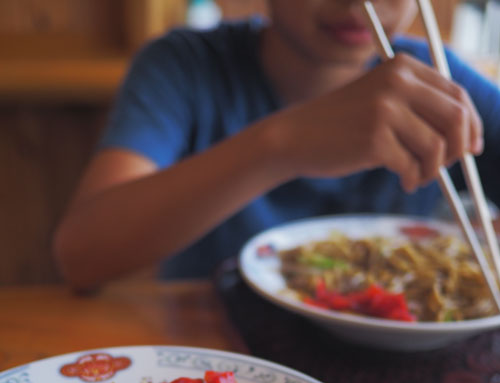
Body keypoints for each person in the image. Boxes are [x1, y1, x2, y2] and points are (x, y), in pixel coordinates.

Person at [53, 0, 499, 292]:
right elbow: (82, 255)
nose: (356, 3)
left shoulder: (438, 81)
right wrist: (283, 143)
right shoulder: (184, 66)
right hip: (209, 362)